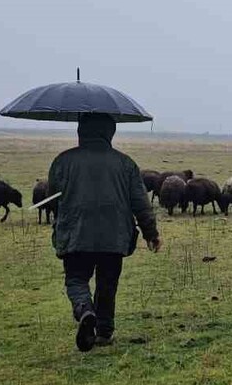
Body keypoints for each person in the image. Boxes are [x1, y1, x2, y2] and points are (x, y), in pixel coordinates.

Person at [48, 113, 161, 352]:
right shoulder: (126, 164)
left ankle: (84, 309)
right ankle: (105, 332)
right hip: (114, 236)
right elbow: (140, 202)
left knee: (76, 279)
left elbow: (53, 198)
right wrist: (151, 233)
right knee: (108, 283)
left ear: (81, 130)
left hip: (76, 234)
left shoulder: (63, 161)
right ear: (110, 132)